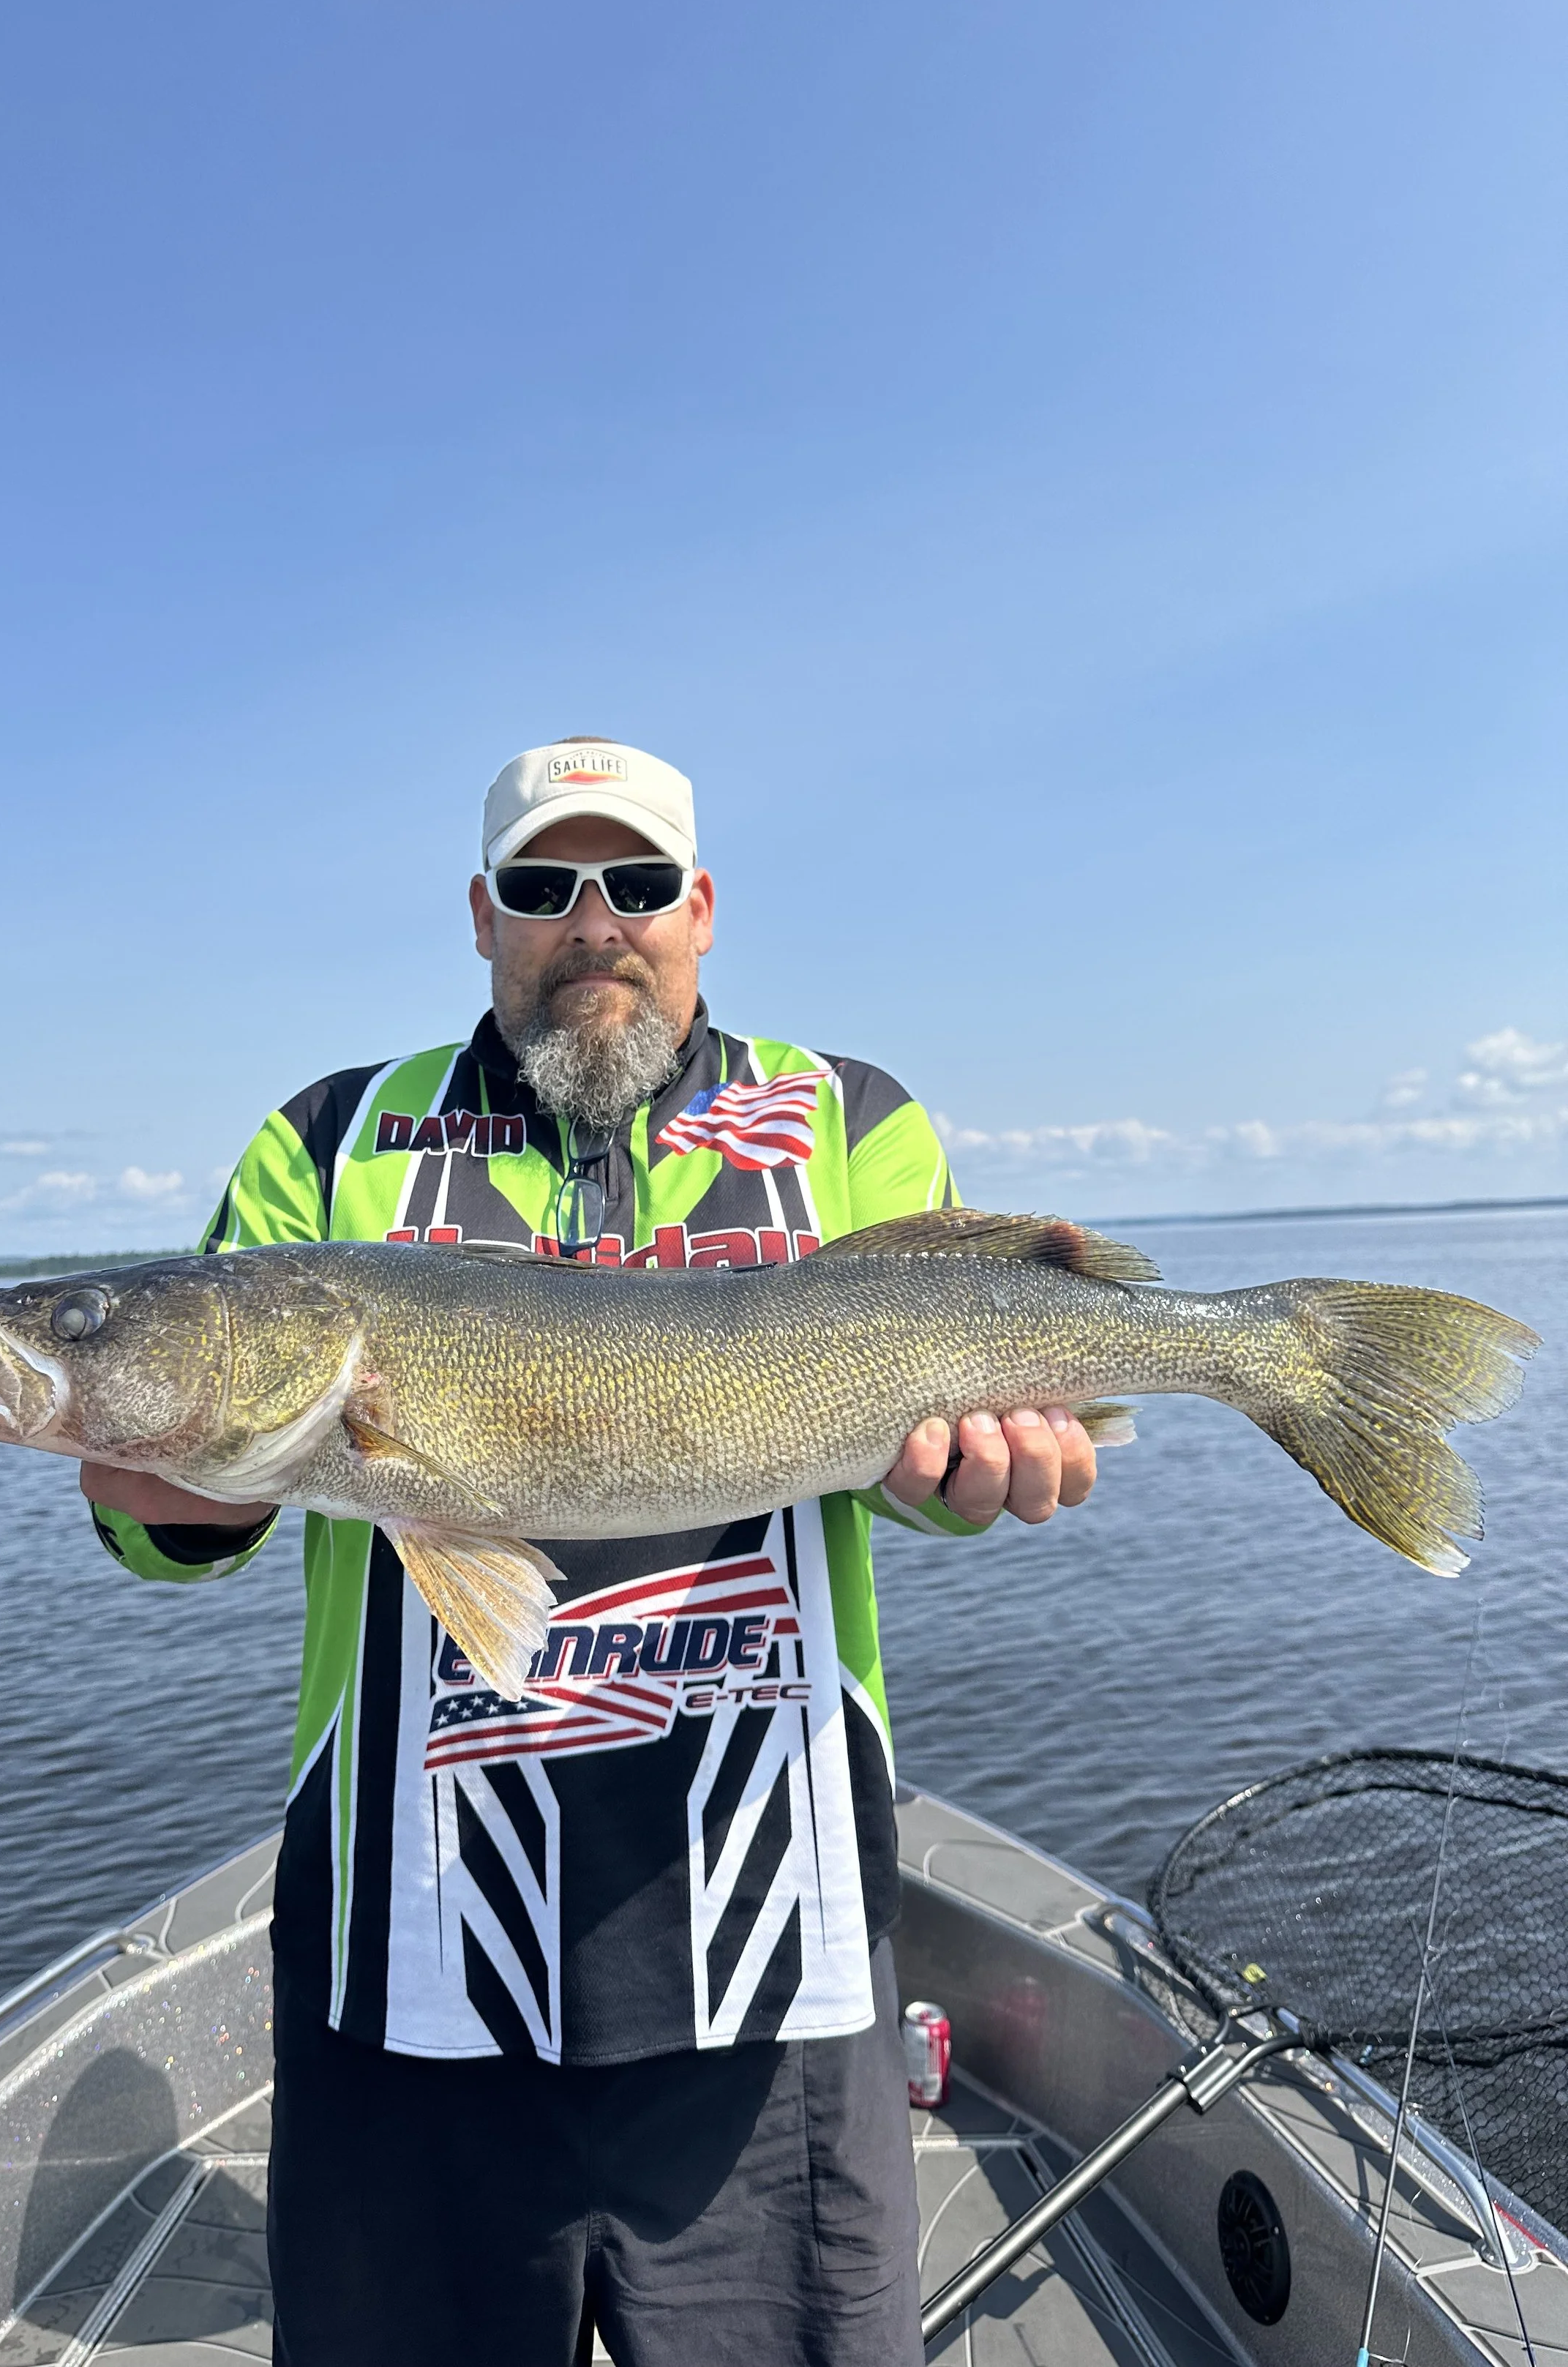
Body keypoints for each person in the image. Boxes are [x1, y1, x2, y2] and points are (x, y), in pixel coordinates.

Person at [83, 739, 1098, 2367]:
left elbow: (908, 1472)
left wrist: (976, 1471)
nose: (593, 922)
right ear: (483, 918)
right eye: (547, 888)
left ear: (698, 911)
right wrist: (150, 1459)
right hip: (404, 1954)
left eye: (633, 885)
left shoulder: (849, 1118)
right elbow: (161, 1525)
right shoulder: (327, 1138)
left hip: (776, 1952)